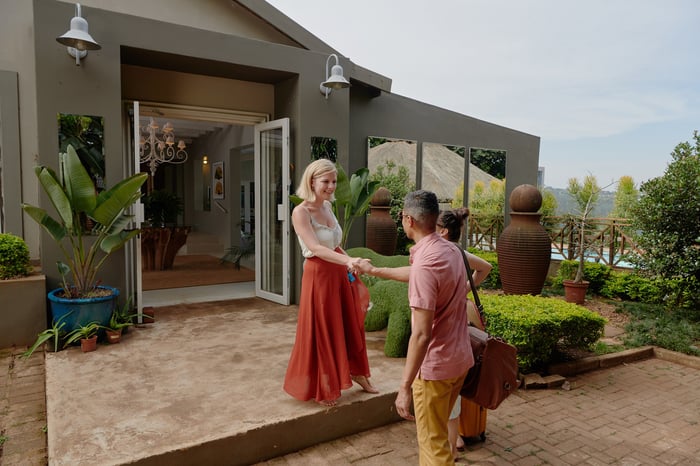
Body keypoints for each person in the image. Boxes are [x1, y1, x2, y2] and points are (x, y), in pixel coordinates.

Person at [359, 190, 474, 464]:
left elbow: (421, 335)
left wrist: (404, 387)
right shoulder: (451, 251)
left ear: (407, 219)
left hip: (436, 369)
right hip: (460, 360)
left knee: (433, 448)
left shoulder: (426, 264)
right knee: (441, 441)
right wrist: (373, 270)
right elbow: (420, 273)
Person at [283, 158, 378, 407]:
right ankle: (325, 385)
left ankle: (358, 373)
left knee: (349, 325)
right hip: (319, 277)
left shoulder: (328, 207)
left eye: (334, 181)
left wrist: (351, 261)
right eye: (326, 181)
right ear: (312, 182)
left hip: (338, 273)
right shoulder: (300, 212)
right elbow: (315, 248)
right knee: (324, 330)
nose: (332, 186)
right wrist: (347, 260)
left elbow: (334, 244)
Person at [438, 208, 492, 460]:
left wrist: (463, 290)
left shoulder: (441, 253)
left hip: (447, 324)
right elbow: (485, 267)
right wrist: (466, 289)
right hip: (460, 319)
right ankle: (454, 439)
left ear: (443, 231)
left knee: (447, 383)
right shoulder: (460, 252)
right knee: (455, 384)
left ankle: (450, 443)